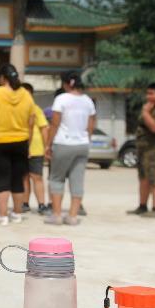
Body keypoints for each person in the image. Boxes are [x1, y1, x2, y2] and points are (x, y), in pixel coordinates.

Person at [0, 64, 34, 226]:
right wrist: (29, 143)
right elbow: (31, 121)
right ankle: (17, 214)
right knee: (17, 179)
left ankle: (3, 216)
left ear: (3, 78)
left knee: (3, 178)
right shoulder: (25, 94)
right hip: (21, 141)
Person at [44, 72, 95, 226]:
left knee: (56, 178)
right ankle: (72, 215)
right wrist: (86, 139)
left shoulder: (61, 99)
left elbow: (55, 123)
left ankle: (57, 214)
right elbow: (91, 125)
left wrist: (48, 144)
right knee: (77, 179)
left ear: (66, 84)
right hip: (82, 143)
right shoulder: (88, 101)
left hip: (63, 143)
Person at [128, 83, 155, 218]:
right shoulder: (150, 107)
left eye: (151, 93)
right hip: (144, 149)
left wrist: (146, 112)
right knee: (143, 178)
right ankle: (142, 206)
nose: (148, 96)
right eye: (147, 93)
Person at [21, 83, 50, 215]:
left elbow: (44, 128)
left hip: (36, 148)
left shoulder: (36, 109)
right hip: (21, 147)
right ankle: (24, 203)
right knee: (24, 177)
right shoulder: (18, 109)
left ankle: (41, 204)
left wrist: (46, 146)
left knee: (36, 177)